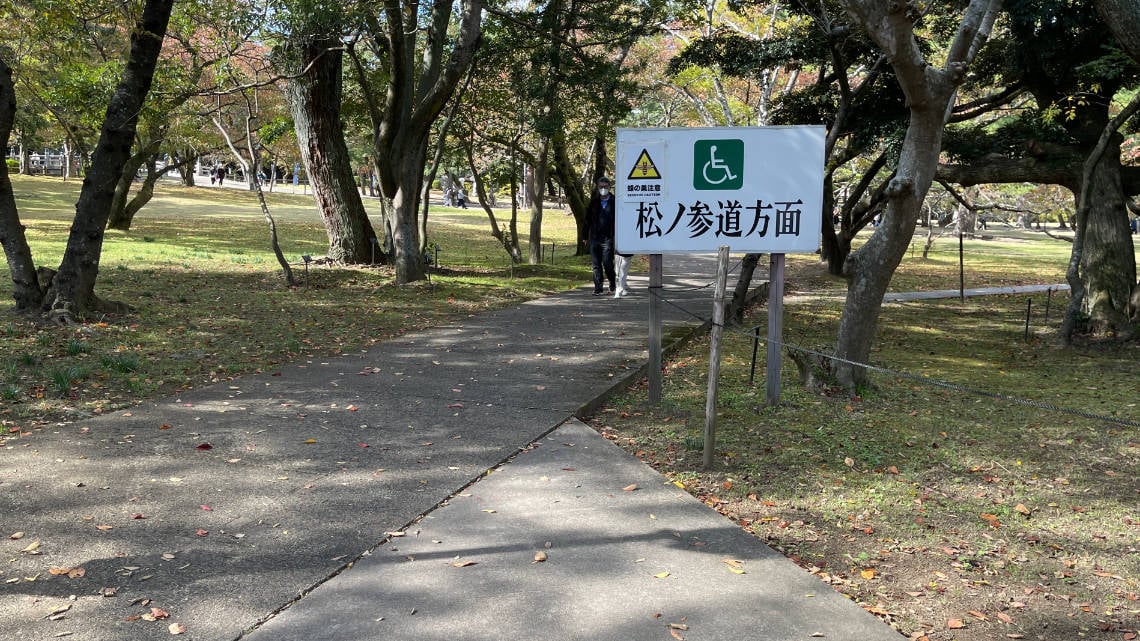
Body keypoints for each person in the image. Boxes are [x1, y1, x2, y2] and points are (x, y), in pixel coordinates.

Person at [585, 176, 616, 295]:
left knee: (607, 263)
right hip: (594, 237)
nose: (603, 189)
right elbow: (587, 220)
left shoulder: (614, 202)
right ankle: (598, 288)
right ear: (598, 188)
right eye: (601, 187)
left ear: (609, 187)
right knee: (596, 264)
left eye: (605, 187)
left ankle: (612, 283)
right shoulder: (594, 202)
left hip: (608, 238)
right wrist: (584, 236)